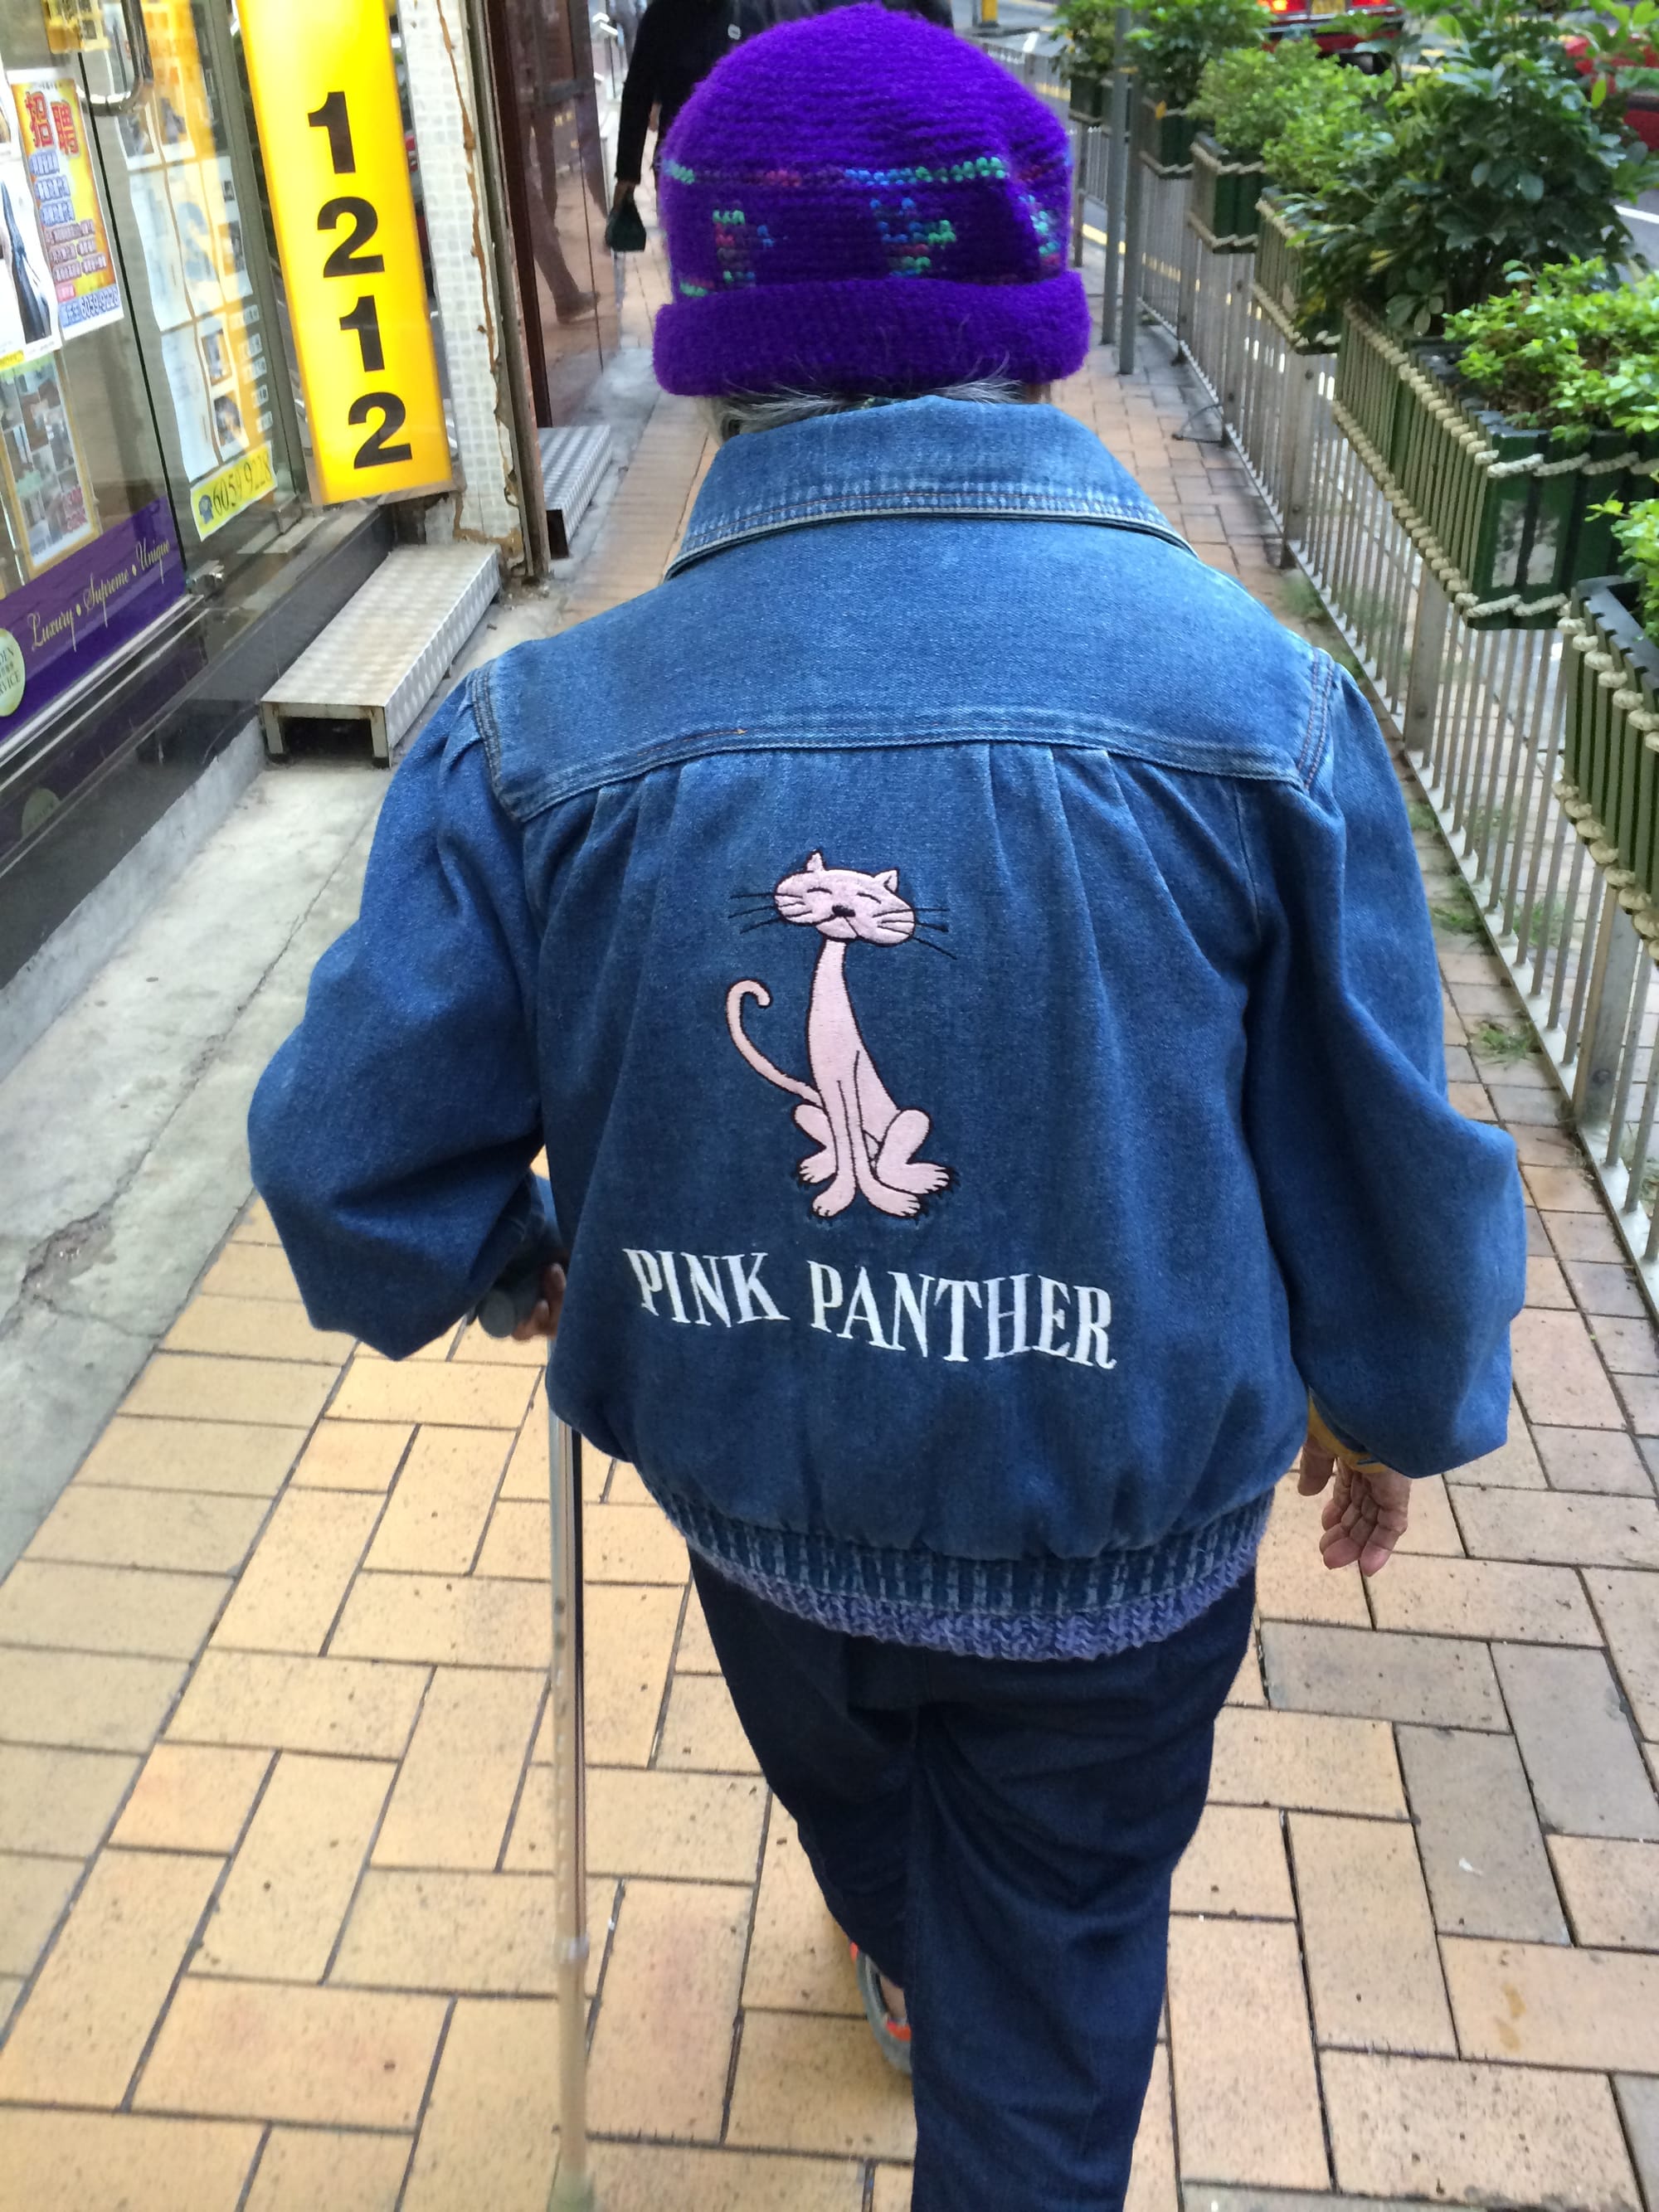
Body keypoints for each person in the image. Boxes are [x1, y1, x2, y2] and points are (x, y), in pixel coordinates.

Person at [248, 12, 1525, 2205]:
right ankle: (978, 2007)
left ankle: (905, 1936)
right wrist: (1392, 1393)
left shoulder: (541, 726)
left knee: (860, 1791)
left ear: (715, 339)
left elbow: (345, 1151)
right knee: (1060, 1976)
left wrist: (519, 1266)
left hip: (763, 1498)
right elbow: (1379, 1125)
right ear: (1033, 319)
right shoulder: (1253, 703)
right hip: (1124, 1536)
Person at [611, 0, 951, 214]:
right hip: (685, 171)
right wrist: (627, 171)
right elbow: (638, 88)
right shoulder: (667, 13)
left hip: (764, 171)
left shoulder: (783, 9)